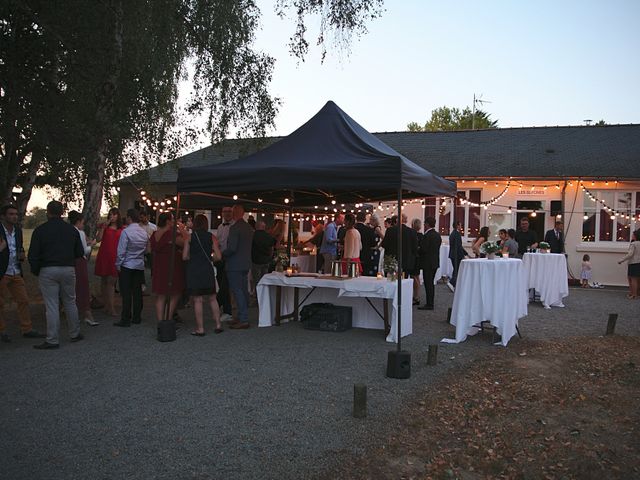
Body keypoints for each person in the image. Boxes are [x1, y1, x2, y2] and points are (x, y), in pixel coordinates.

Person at [28, 201, 85, 349]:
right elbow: (79, 252)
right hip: (67, 268)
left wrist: (36, 269)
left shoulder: (40, 230)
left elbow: (33, 254)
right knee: (70, 301)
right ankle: (74, 332)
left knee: (52, 305)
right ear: (62, 212)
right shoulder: (71, 230)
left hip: (48, 268)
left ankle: (52, 339)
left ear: (48, 212)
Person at [0, 205, 45, 343]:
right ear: (3, 216)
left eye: (16, 214)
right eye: (11, 214)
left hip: (15, 270)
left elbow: (18, 248)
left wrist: (21, 255)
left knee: (23, 300)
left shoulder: (18, 231)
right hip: (2, 271)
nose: (14, 216)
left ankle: (27, 328)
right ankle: (1, 331)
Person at [183, 214, 223, 335]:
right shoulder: (212, 237)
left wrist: (193, 258)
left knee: (198, 300)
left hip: (194, 270)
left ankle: (200, 329)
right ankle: (218, 324)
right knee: (212, 298)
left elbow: (184, 256)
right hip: (207, 269)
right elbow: (219, 256)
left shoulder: (189, 237)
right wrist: (211, 259)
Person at [114, 209, 149, 327]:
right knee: (137, 291)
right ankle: (137, 316)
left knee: (126, 292)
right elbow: (145, 249)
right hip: (139, 264)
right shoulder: (144, 233)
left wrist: (118, 264)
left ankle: (125, 317)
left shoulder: (126, 232)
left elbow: (121, 251)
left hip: (127, 264)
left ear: (129, 218)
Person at [150, 212, 187, 323]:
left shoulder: (155, 234)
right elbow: (186, 242)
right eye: (172, 219)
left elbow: (149, 248)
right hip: (171, 266)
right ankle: (168, 318)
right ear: (167, 221)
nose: (174, 221)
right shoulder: (172, 234)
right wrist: (182, 229)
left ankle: (160, 321)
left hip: (158, 265)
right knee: (175, 293)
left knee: (161, 295)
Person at [223, 204, 254, 329]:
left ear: (235, 213)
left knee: (237, 291)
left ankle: (244, 318)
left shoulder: (235, 228)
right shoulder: (248, 227)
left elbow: (232, 248)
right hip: (245, 263)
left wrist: (222, 253)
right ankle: (242, 315)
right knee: (243, 290)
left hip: (234, 264)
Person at [69, 211, 98, 326]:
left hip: (69, 261)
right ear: (79, 222)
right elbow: (84, 250)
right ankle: (87, 314)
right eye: (82, 222)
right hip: (79, 261)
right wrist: (91, 245)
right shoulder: (80, 233)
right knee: (82, 287)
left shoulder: (67, 231)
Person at [94, 207, 123, 316]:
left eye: (115, 214)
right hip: (104, 255)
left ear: (118, 216)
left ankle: (111, 307)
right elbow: (98, 239)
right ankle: (107, 306)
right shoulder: (105, 227)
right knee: (104, 280)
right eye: (111, 214)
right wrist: (103, 227)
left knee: (112, 281)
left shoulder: (122, 229)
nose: (112, 216)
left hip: (115, 256)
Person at [418, 216, 441, 310]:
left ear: (427, 224)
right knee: (430, 283)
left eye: (424, 223)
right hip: (434, 262)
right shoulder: (437, 235)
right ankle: (430, 302)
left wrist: (418, 249)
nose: (423, 225)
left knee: (428, 284)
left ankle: (429, 303)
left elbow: (424, 249)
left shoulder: (427, 235)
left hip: (427, 263)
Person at [215, 206, 234, 321]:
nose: (226, 214)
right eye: (225, 211)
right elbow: (218, 242)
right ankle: (227, 311)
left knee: (224, 285)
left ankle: (216, 304)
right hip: (220, 258)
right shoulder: (220, 227)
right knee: (222, 284)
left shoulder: (234, 226)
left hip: (230, 259)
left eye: (229, 211)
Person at [252, 220, 276, 290]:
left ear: (256, 227)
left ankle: (258, 297)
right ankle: (264, 295)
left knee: (257, 280)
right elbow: (272, 248)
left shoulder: (252, 235)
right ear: (264, 227)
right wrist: (269, 258)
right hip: (266, 261)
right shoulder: (268, 236)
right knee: (264, 280)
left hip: (255, 261)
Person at [618, 229, 640, 299]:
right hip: (639, 263)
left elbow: (630, 254)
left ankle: (634, 295)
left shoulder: (634, 244)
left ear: (636, 236)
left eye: (633, 235)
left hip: (633, 263)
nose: (632, 236)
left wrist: (621, 260)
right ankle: (636, 294)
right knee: (637, 279)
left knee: (632, 279)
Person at [448, 220, 469, 291]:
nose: (461, 226)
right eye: (460, 225)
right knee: (457, 269)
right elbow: (459, 246)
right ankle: (452, 282)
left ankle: (454, 282)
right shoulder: (456, 234)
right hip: (456, 255)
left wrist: (465, 253)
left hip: (453, 254)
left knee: (456, 269)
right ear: (457, 226)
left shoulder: (453, 233)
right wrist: (463, 254)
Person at [354, 211, 376, 276]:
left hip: (354, 256)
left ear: (356, 219)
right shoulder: (369, 230)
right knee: (365, 275)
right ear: (364, 219)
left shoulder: (352, 229)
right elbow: (373, 244)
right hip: (366, 255)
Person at [409, 218, 424, 305]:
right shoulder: (421, 235)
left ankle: (416, 296)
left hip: (414, 258)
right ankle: (416, 295)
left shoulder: (413, 235)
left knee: (414, 277)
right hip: (418, 258)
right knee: (416, 276)